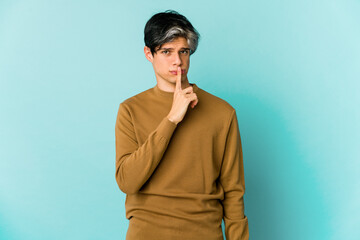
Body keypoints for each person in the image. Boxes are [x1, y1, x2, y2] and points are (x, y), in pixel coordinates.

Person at [115, 9, 249, 240]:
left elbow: (234, 193)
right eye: (167, 51)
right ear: (149, 53)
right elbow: (128, 182)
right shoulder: (130, 110)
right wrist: (171, 120)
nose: (177, 61)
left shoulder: (222, 113)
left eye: (184, 51)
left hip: (204, 233)